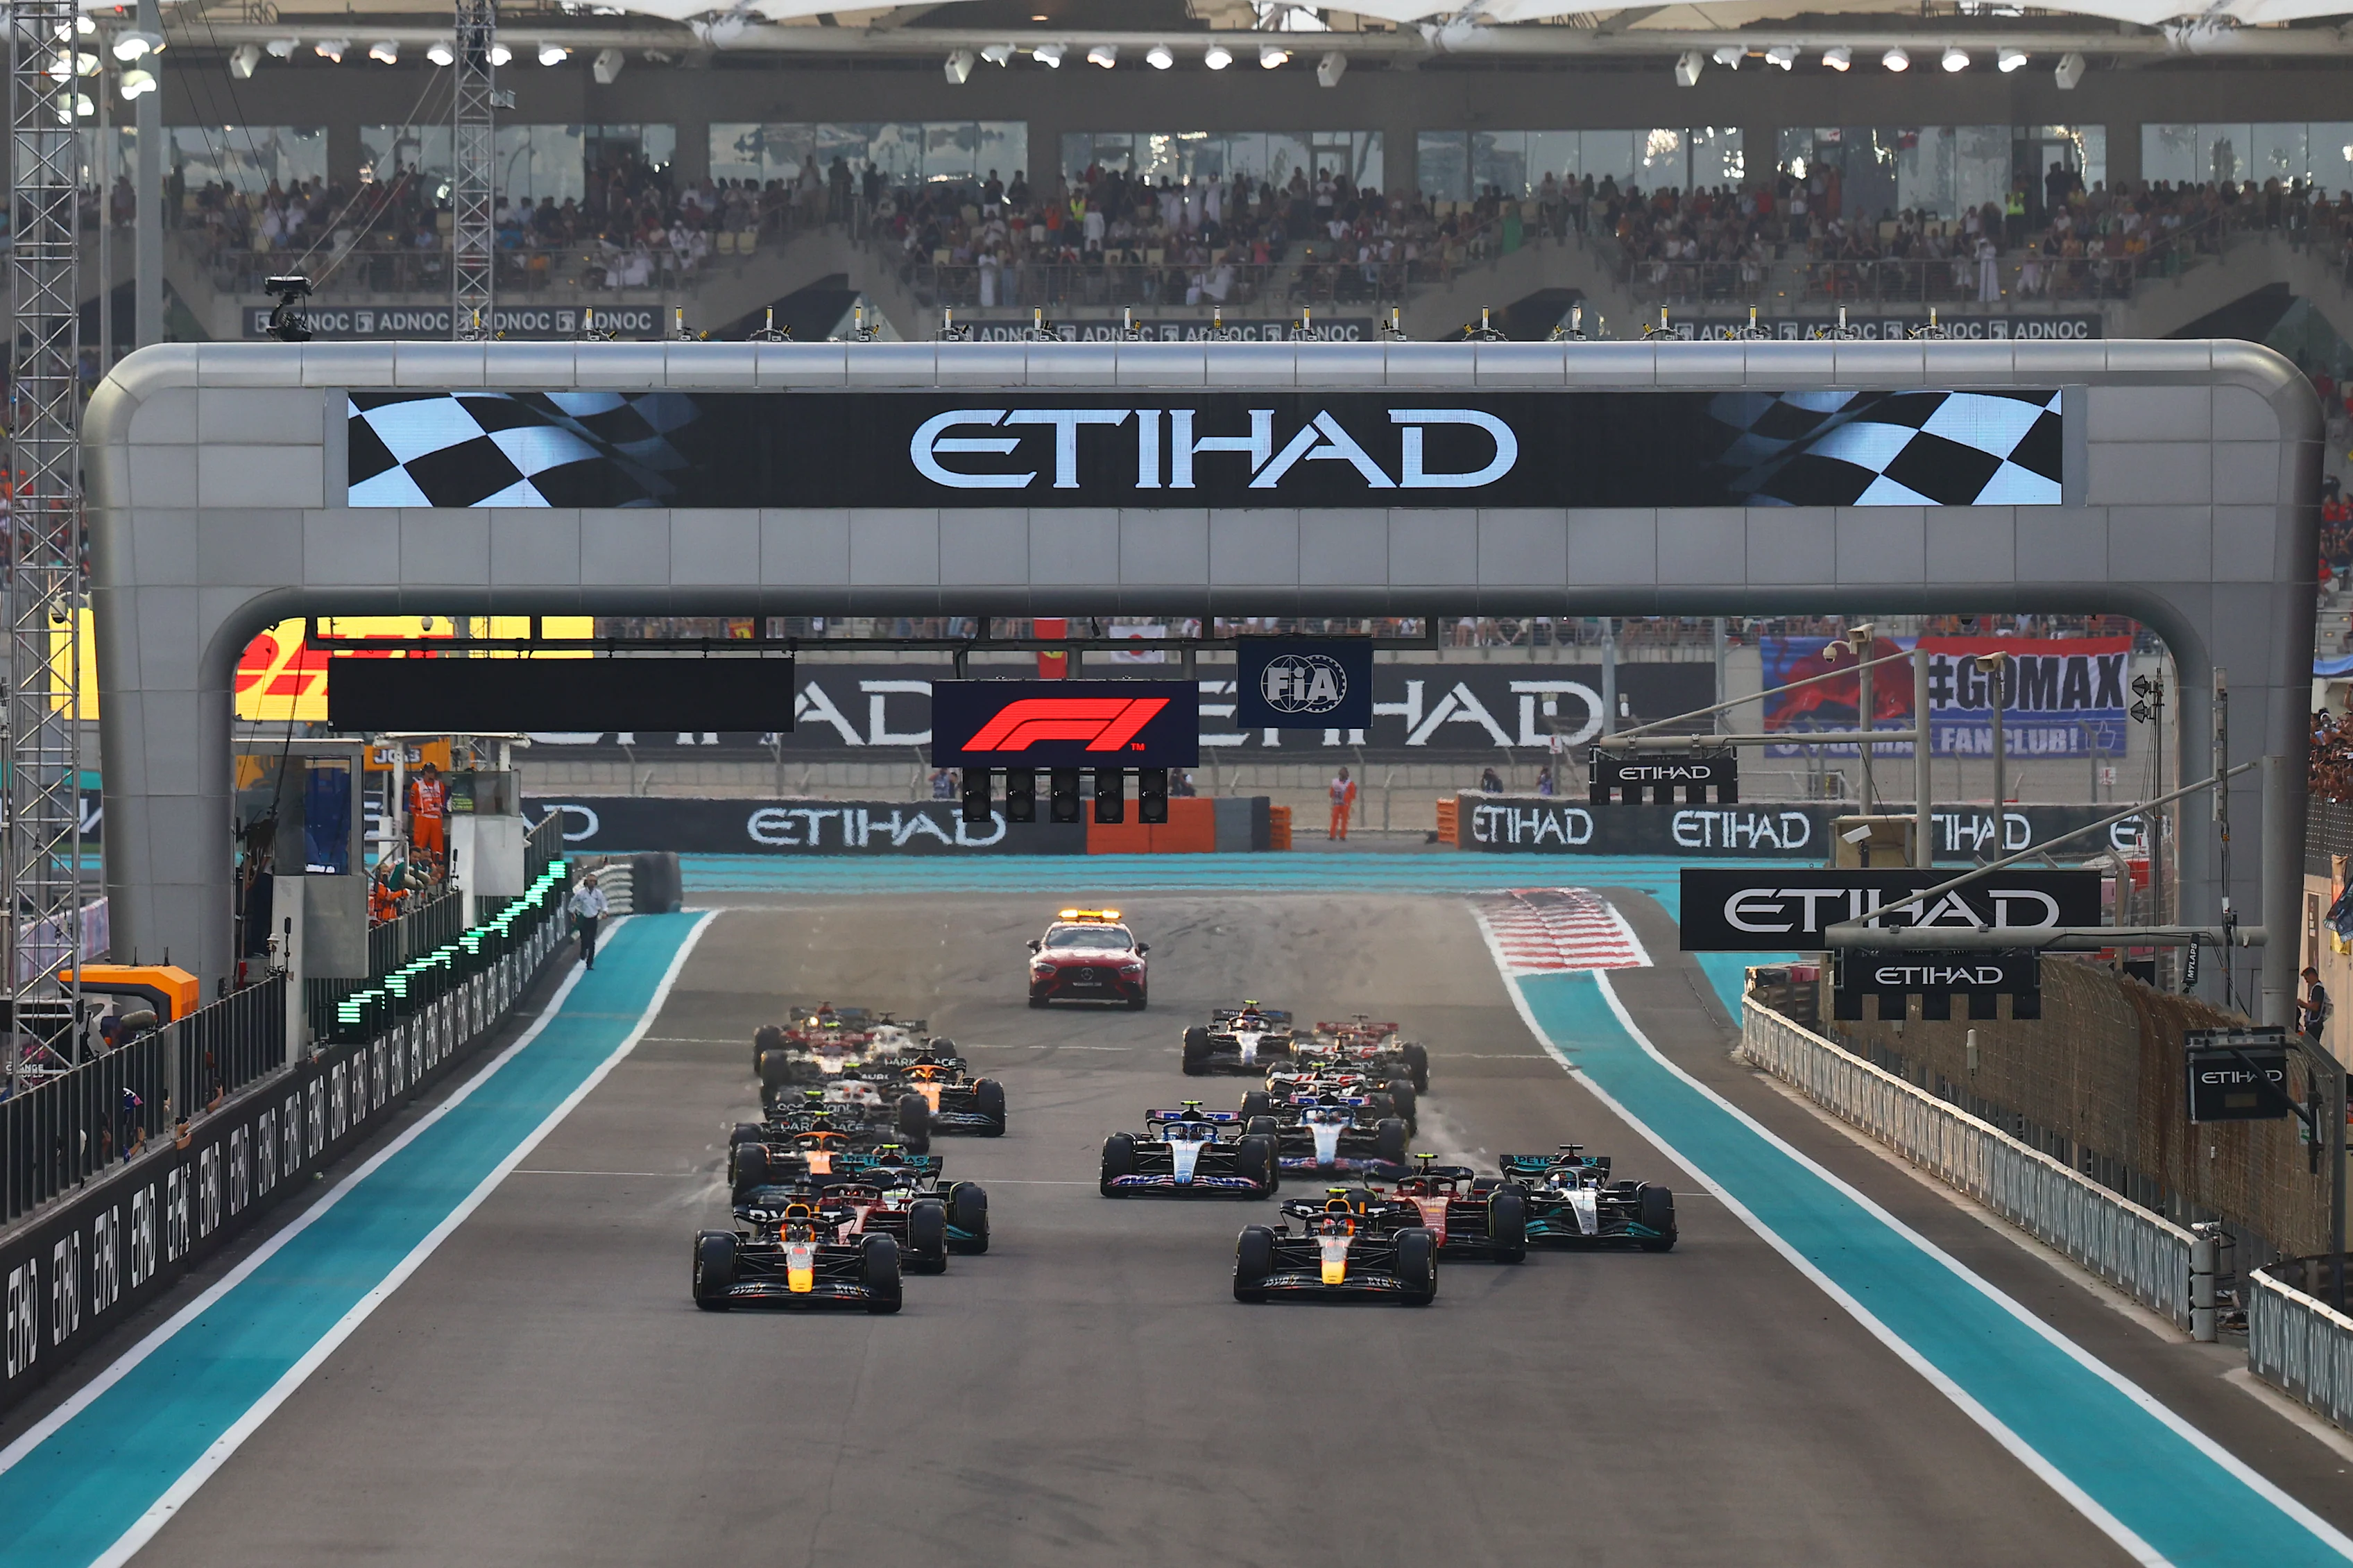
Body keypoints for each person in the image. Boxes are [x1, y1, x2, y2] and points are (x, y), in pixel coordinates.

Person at [569, 872, 611, 970]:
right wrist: (573, 914)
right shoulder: (581, 893)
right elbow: (572, 904)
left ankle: (590, 963)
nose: (592, 883)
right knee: (584, 939)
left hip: (593, 918)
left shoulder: (598, 893)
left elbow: (603, 904)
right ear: (587, 882)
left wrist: (605, 912)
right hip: (583, 918)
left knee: (592, 941)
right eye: (590, 881)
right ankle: (583, 952)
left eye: (594, 881)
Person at [407, 762, 448, 860]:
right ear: (424, 773)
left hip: (436, 818)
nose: (431, 774)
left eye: (432, 772)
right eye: (428, 772)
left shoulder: (440, 785)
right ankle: (417, 864)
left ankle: (437, 865)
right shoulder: (417, 786)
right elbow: (412, 803)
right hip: (422, 817)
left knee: (438, 847)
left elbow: (443, 800)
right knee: (419, 844)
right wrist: (418, 816)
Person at [2302, 965, 2334, 1039]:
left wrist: (2302, 1004)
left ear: (2312, 975)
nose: (2307, 981)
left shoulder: (2318, 989)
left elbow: (2315, 1007)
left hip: (2314, 1025)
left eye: (2306, 978)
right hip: (2313, 1024)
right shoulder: (2316, 988)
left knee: (2310, 1044)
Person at [1328, 766, 1357, 841]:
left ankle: (1337, 835)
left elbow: (1331, 794)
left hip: (1342, 804)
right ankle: (1338, 835)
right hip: (1340, 804)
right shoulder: (1346, 783)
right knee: (1339, 820)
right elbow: (1332, 794)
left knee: (1340, 821)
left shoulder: (1347, 783)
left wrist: (1352, 804)